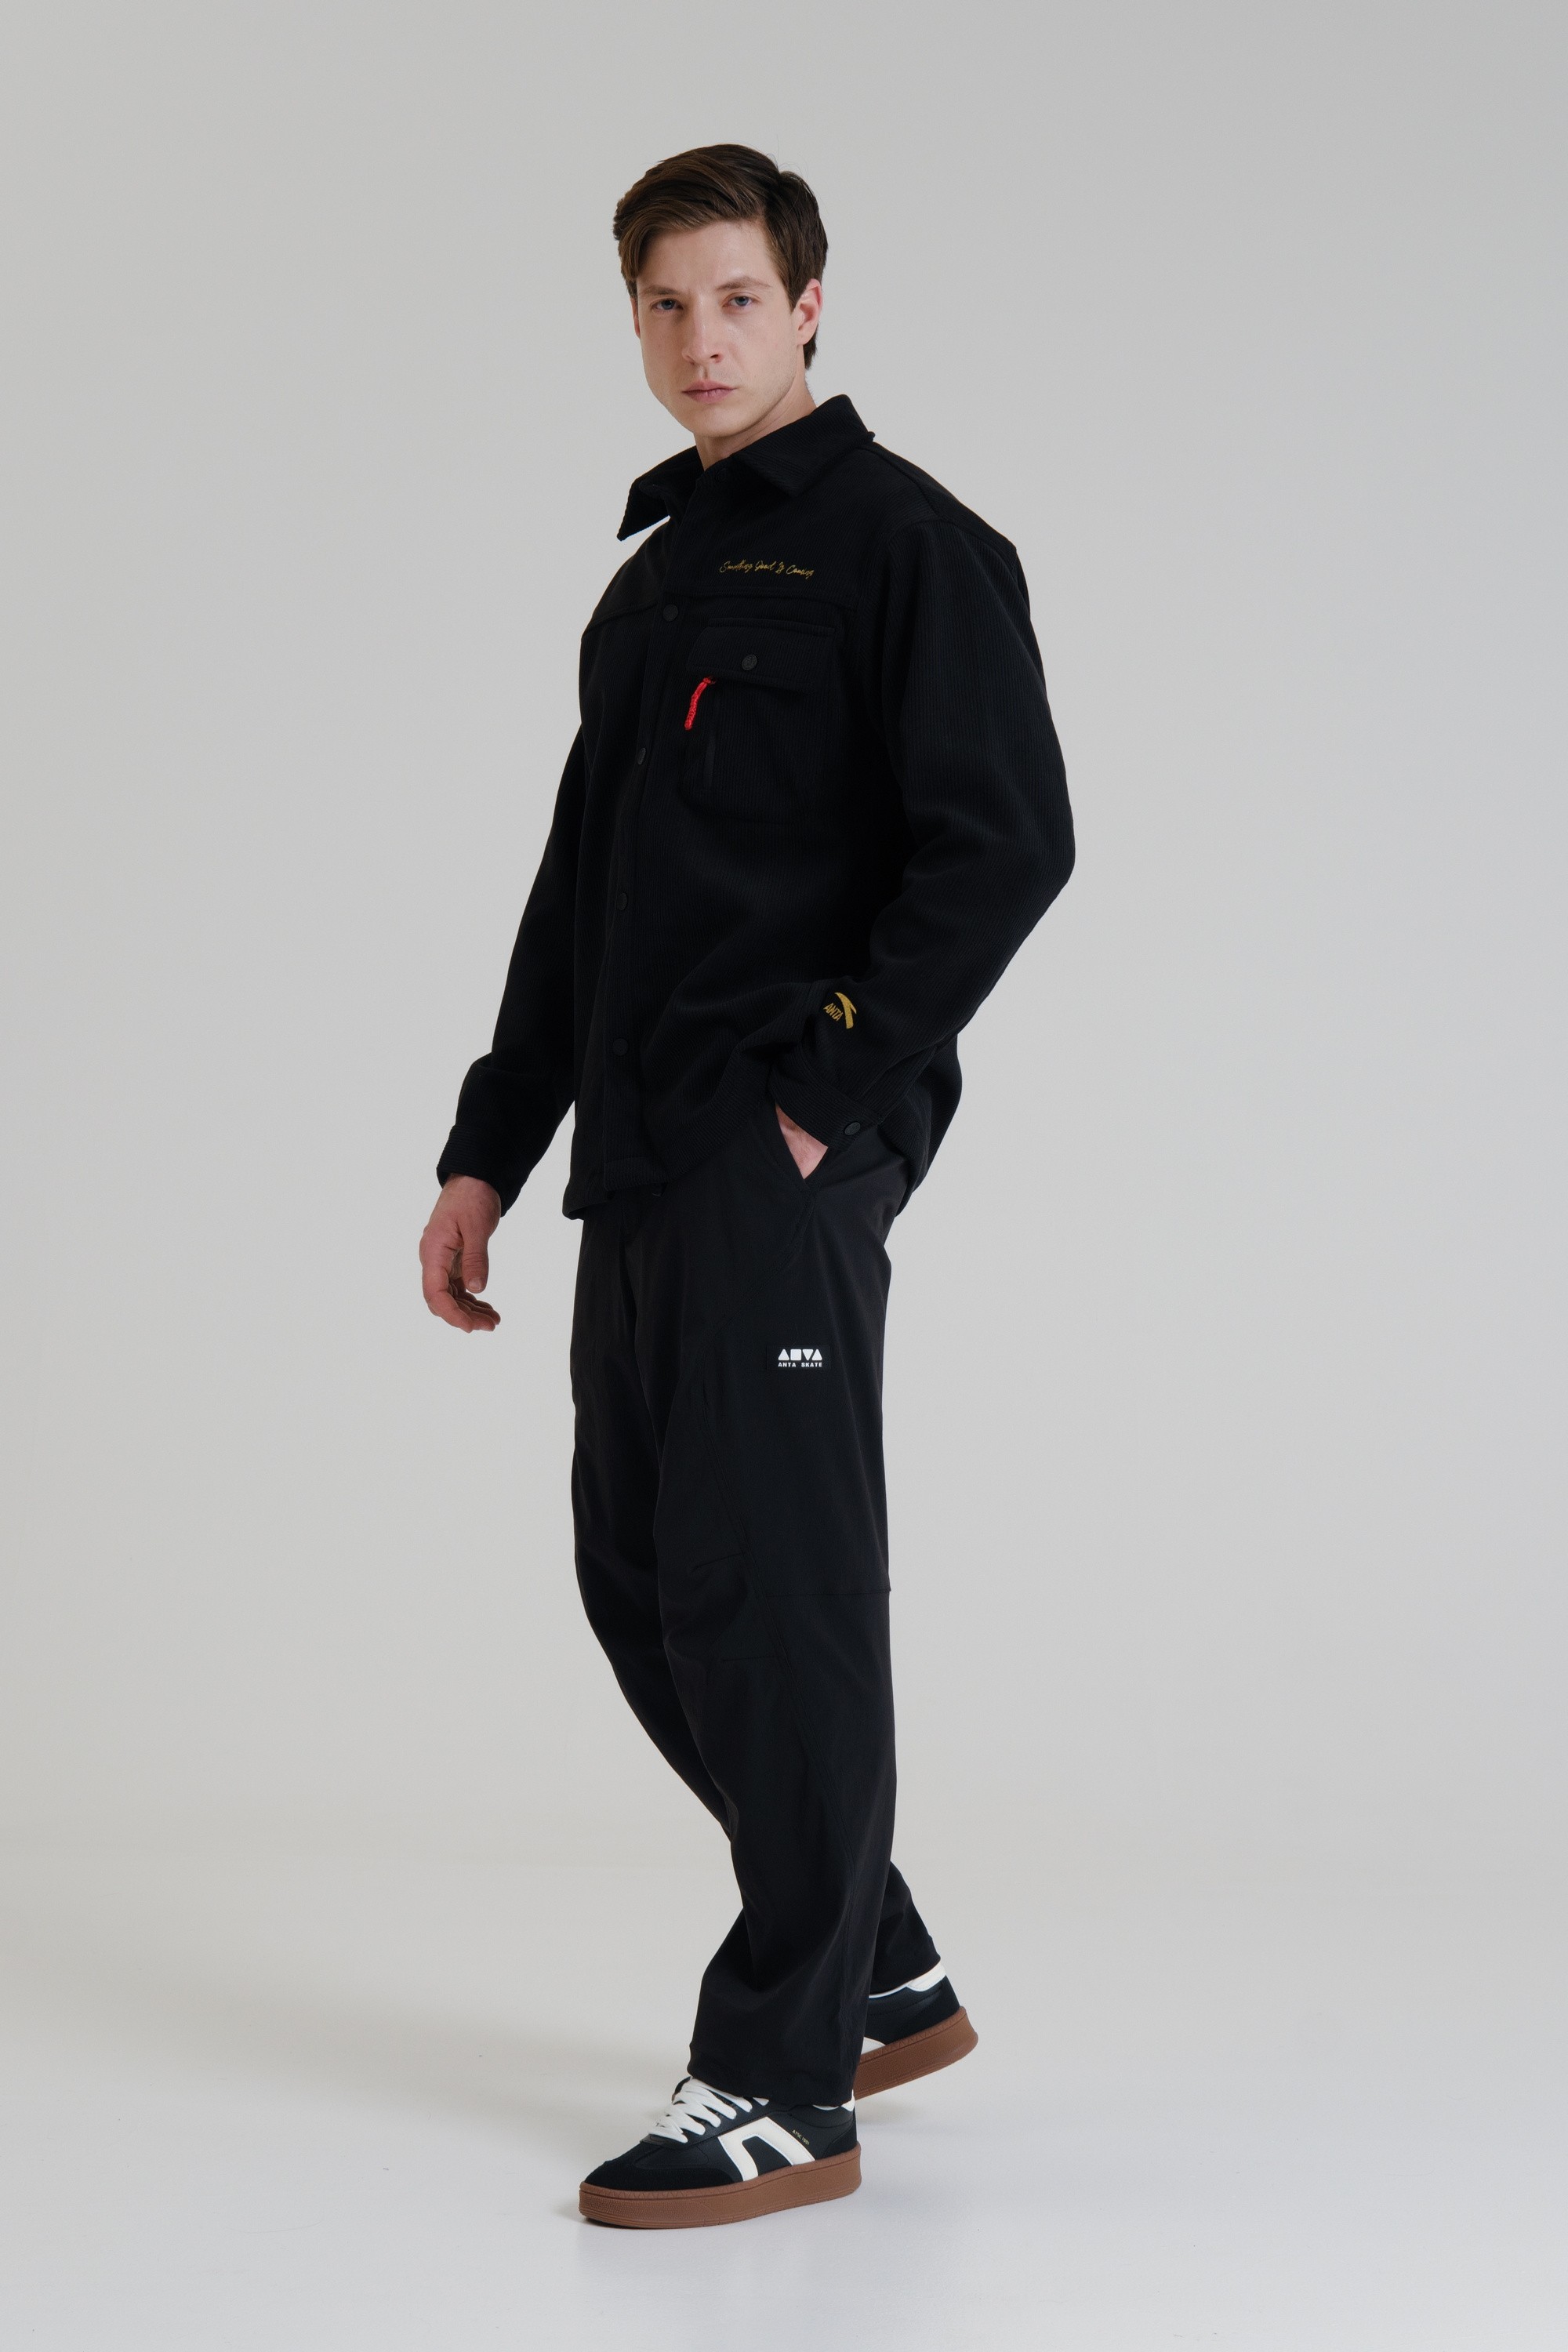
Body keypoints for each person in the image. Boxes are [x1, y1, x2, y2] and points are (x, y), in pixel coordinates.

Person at [419, 143, 1074, 2229]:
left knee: (774, 1599)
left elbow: (1006, 842)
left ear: (806, 308)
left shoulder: (909, 547)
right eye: (663, 306)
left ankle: (786, 2082)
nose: (700, 340)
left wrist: (826, 1095)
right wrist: (489, 1144)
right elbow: (581, 895)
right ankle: (873, 1955)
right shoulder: (654, 588)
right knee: (641, 1573)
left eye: (734, 299)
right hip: (643, 1152)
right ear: (634, 322)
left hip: (777, 1154)